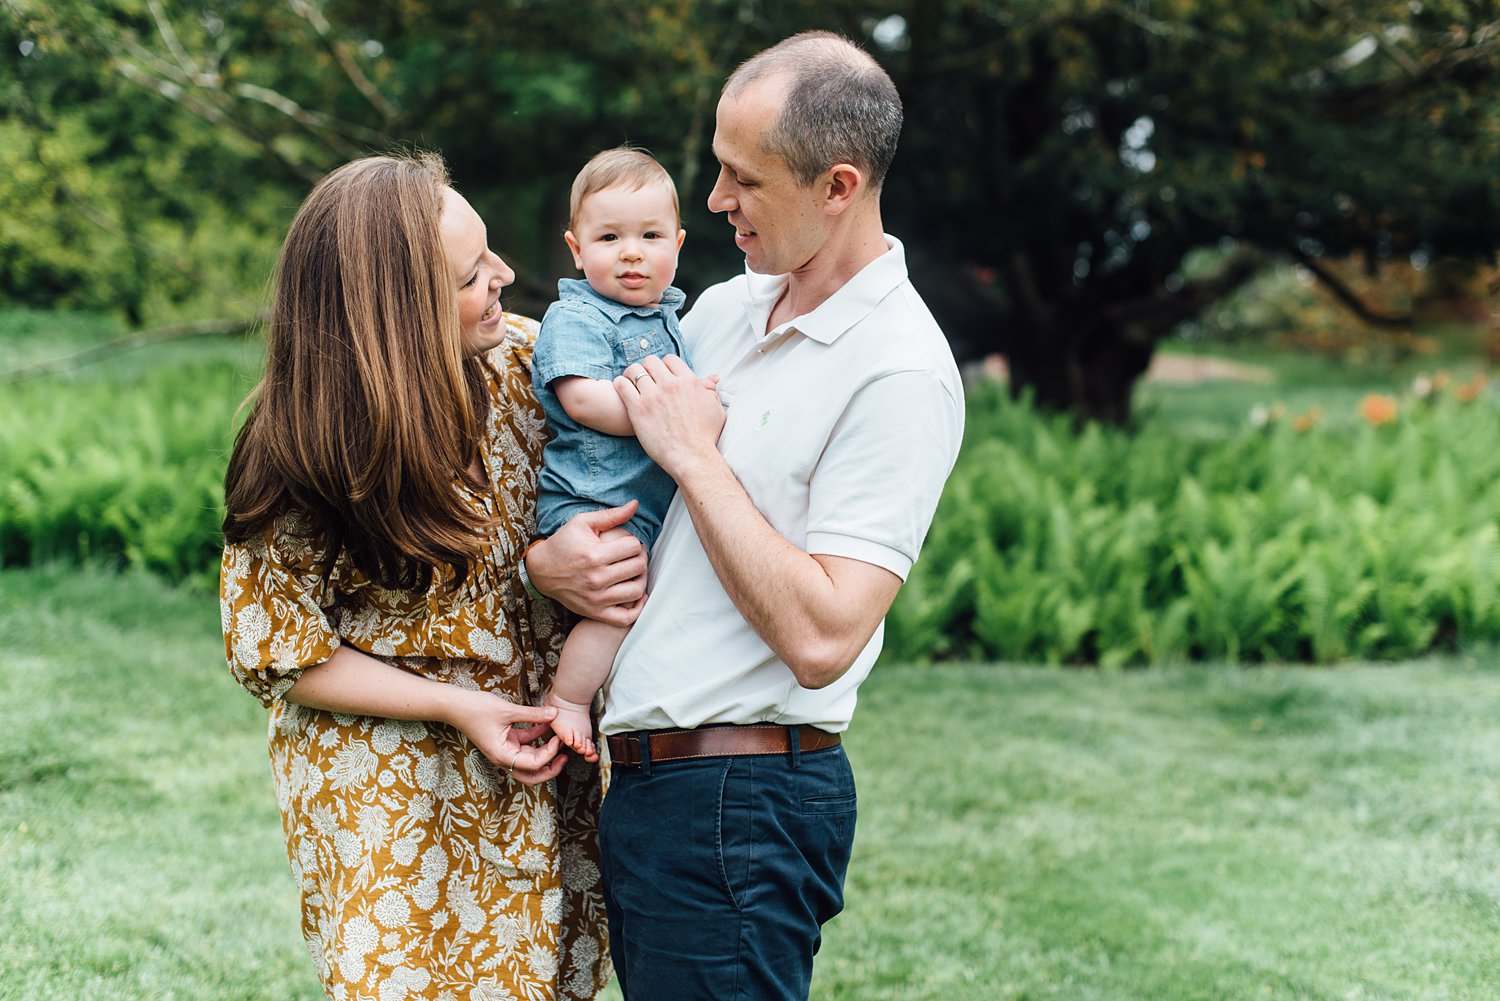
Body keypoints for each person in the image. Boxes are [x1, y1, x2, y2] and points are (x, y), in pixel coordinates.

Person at [219, 151, 646, 1001]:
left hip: (538, 759)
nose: (505, 277)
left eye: (489, 255)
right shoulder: (304, 439)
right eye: (470, 276)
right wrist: (457, 703)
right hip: (388, 786)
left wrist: (545, 571)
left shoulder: (537, 369)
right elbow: (275, 648)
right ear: (399, 316)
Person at [595, 31, 966, 1000]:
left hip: (740, 803)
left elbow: (824, 632)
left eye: (742, 178)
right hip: (650, 790)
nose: (715, 201)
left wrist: (694, 454)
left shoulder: (899, 367)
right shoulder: (720, 308)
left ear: (838, 186)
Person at [530, 148, 714, 760]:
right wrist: (674, 413)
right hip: (592, 505)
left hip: (638, 508)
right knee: (620, 608)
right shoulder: (576, 315)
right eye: (609, 237)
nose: (631, 251)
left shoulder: (670, 319)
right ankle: (569, 699)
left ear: (678, 244)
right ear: (577, 250)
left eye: (650, 235)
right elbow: (583, 400)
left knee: (639, 605)